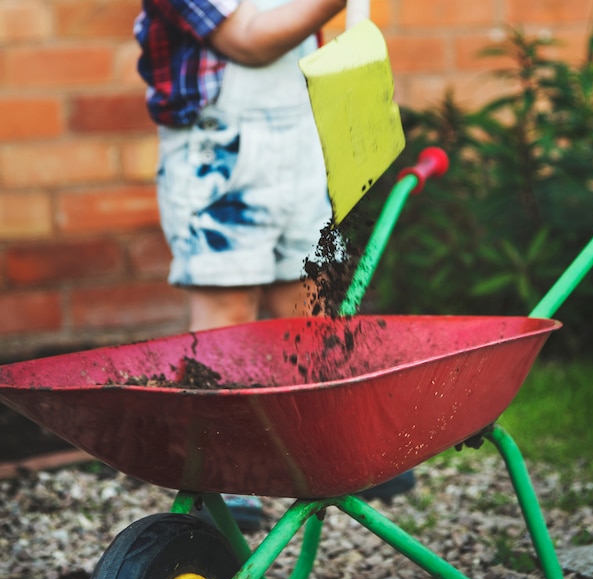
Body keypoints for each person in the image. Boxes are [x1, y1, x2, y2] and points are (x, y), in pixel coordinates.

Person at [135, 0, 413, 529]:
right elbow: (249, 41)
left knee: (307, 302)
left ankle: (316, 451)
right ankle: (222, 471)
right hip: (220, 154)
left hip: (302, 143)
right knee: (227, 311)